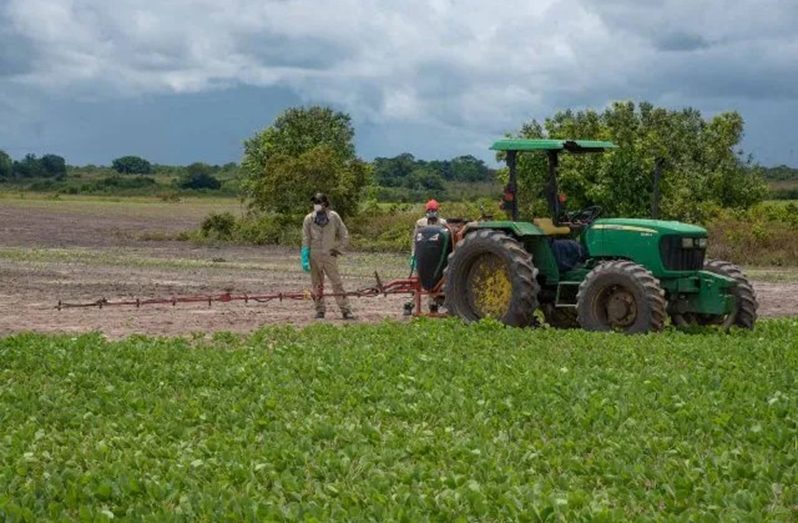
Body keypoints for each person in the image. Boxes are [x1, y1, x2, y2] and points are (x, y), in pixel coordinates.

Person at [301, 193, 355, 320]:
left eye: (318, 203)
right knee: (317, 283)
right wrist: (304, 255)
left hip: (329, 254)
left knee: (336, 282)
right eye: (315, 203)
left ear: (325, 204)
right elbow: (305, 238)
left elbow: (344, 234)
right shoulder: (309, 219)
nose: (316, 206)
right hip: (314, 255)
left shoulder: (334, 217)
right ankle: (320, 310)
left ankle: (345, 310)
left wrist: (339, 249)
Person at [405, 199, 446, 315]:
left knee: (435, 282)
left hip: (437, 258)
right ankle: (410, 304)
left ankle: (433, 305)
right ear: (426, 210)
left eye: (434, 210)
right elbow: (415, 239)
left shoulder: (443, 223)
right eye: (430, 210)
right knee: (417, 281)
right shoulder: (420, 223)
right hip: (422, 256)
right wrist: (413, 256)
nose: (432, 212)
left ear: (438, 210)